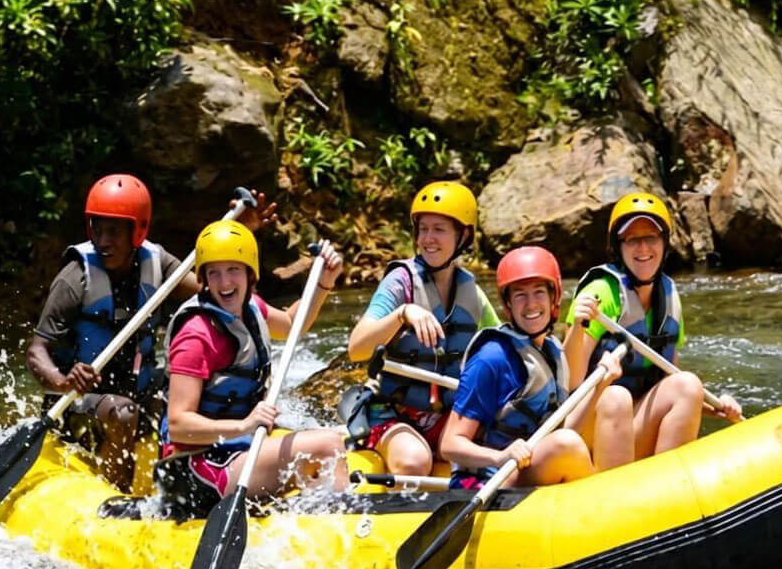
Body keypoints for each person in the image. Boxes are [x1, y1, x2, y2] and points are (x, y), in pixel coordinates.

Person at [26, 175, 273, 491]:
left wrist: (239, 239)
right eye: (97, 229)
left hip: (138, 388)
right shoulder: (74, 278)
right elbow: (37, 351)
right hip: (78, 397)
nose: (103, 241)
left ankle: (195, 479)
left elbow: (218, 289)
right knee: (123, 413)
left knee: (184, 394)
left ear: (137, 230)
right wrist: (64, 382)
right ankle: (118, 497)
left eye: (113, 231)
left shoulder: (156, 263)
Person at [157, 220, 346, 515]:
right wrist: (243, 426)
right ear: (204, 278)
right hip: (196, 470)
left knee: (333, 439)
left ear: (250, 273)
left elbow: (292, 325)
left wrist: (324, 282)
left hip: (233, 451)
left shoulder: (251, 308)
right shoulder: (195, 335)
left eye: (233, 269)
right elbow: (179, 424)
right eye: (214, 272)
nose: (224, 282)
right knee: (327, 446)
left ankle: (315, 523)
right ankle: (332, 531)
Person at [563, 191, 742, 468]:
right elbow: (570, 381)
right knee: (616, 397)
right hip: (588, 428)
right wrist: (577, 327)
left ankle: (667, 486)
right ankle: (609, 492)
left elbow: (667, 380)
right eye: (633, 239)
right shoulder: (601, 292)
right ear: (618, 247)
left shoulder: (668, 296)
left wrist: (715, 409)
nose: (643, 248)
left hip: (631, 426)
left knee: (688, 385)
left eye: (651, 238)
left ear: (664, 243)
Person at [346, 181, 500, 478]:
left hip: (443, 414)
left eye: (439, 229)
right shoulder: (400, 282)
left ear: (463, 235)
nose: (428, 238)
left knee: (497, 438)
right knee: (415, 461)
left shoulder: (471, 292)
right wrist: (402, 314)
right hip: (391, 411)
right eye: (423, 228)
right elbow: (357, 348)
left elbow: (502, 345)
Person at [440, 246, 622, 489]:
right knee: (566, 445)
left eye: (538, 293)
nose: (531, 304)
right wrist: (500, 456)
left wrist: (601, 385)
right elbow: (450, 444)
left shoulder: (551, 349)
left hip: (532, 466)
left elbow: (562, 425)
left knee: (614, 397)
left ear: (553, 299)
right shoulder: (491, 358)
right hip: (494, 479)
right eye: (520, 295)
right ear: (508, 306)